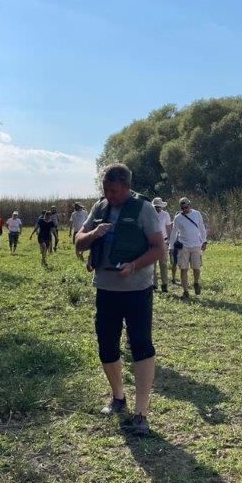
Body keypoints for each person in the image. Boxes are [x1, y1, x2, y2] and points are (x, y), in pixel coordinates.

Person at [75, 163, 164, 435]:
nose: (109, 195)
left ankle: (141, 413)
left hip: (137, 290)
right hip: (106, 289)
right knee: (107, 346)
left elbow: (159, 248)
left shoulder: (144, 209)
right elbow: (79, 241)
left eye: (114, 191)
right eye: (106, 190)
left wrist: (134, 266)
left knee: (141, 346)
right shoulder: (99, 207)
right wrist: (94, 234)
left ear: (127, 186)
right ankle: (118, 398)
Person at [171, 197, 207, 299]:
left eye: (186, 207)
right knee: (183, 269)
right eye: (182, 208)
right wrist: (171, 246)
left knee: (196, 268)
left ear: (189, 205)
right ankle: (185, 291)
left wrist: (204, 241)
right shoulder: (178, 218)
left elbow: (202, 227)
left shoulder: (197, 214)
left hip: (196, 245)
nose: (184, 210)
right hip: (184, 246)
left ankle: (196, 283)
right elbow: (174, 232)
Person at [151, 198, 172, 294]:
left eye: (159, 207)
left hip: (163, 241)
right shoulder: (149, 214)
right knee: (153, 265)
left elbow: (168, 228)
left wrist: (170, 241)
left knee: (163, 264)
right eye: (156, 207)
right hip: (152, 242)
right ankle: (154, 284)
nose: (158, 208)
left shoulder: (166, 214)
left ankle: (164, 284)